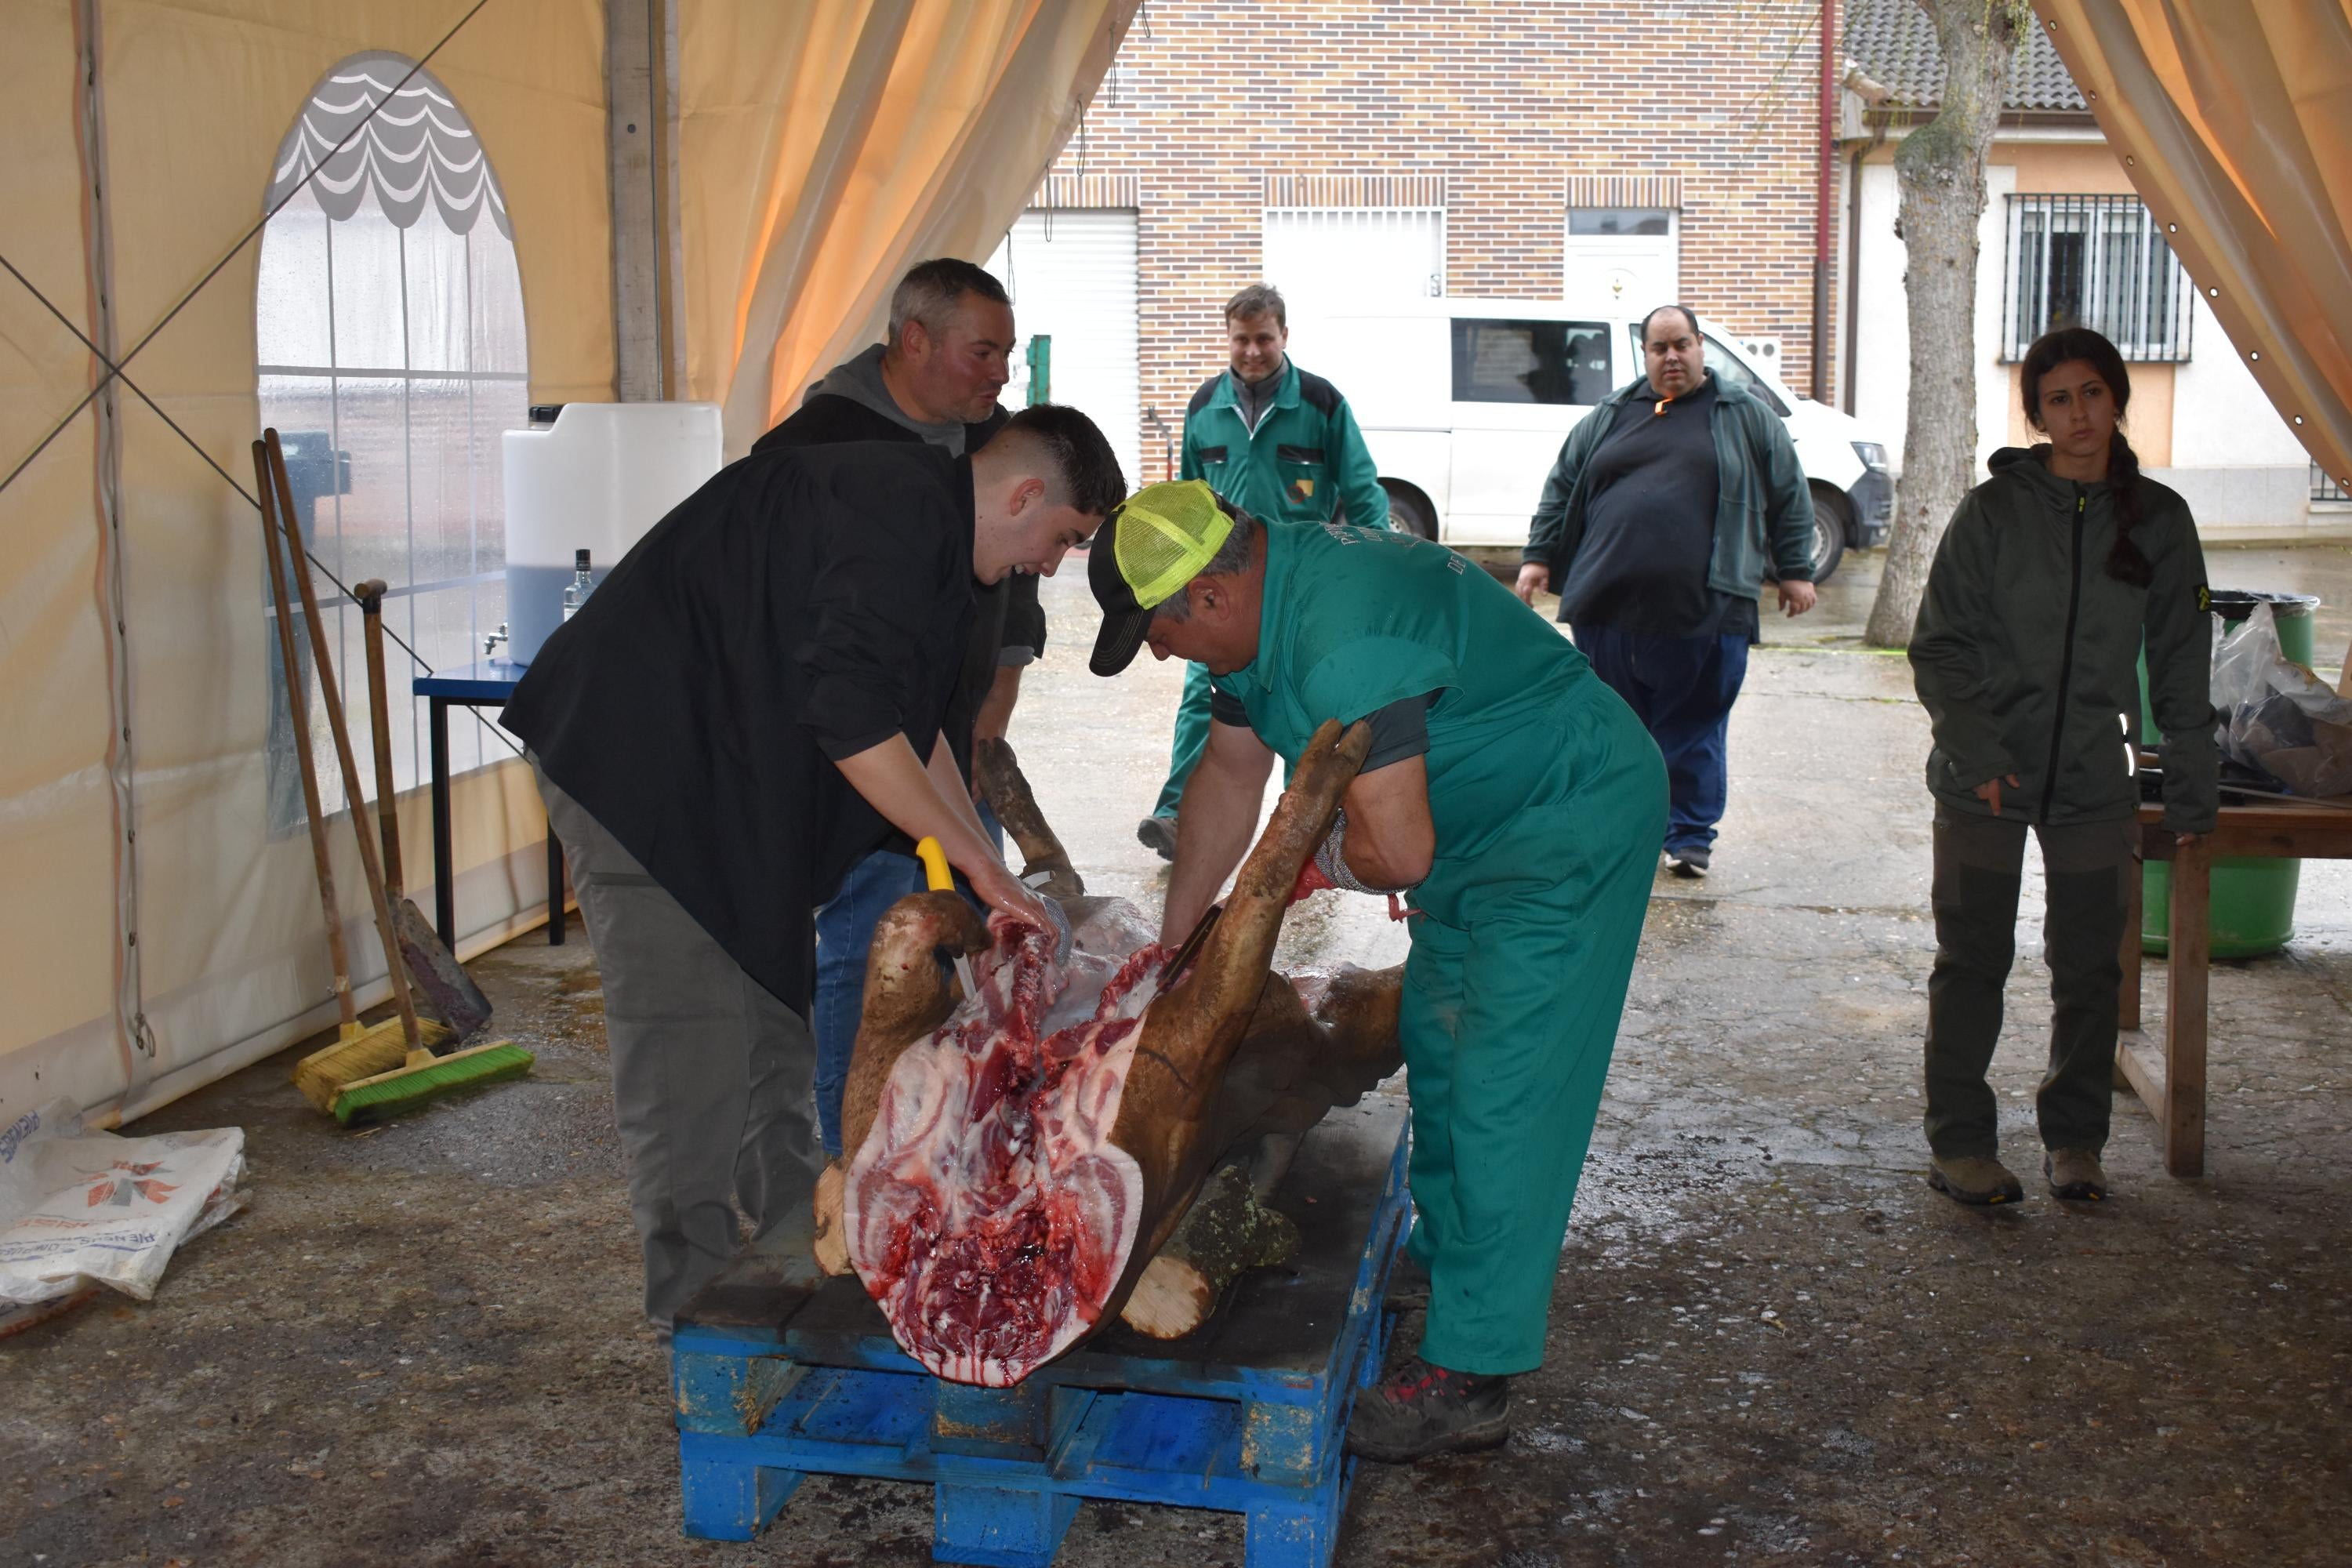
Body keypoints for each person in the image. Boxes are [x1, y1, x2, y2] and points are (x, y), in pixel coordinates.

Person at [501, 405, 1124, 1329]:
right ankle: (697, 1306)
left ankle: (810, 1232)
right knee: (690, 1052)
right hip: (643, 772)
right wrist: (977, 869)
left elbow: (922, 733)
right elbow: (853, 719)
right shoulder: (898, 510)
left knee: (771, 1019)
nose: (1052, 563)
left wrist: (985, 868)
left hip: (724, 787)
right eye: (1063, 538)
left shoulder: (936, 537)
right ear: (1024, 493)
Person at [1087, 480, 1665, 1462]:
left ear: (1211, 598)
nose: (1156, 649)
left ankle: (1472, 1376)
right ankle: (1451, 1257)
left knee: (1504, 1083)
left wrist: (1307, 867)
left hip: (1565, 818)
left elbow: (1396, 853)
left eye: (1156, 630)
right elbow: (1227, 777)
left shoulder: (1340, 638)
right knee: (1438, 1045)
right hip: (1479, 835)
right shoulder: (1262, 607)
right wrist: (1175, 949)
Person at [1909, 325, 2215, 1207]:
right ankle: (1961, 1144)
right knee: (1972, 957)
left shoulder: (2159, 519)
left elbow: (2184, 660)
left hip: (2093, 776)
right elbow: (1940, 648)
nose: (2078, 413)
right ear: (2037, 415)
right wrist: (1982, 754)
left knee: (2091, 966)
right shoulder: (1994, 512)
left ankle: (2076, 1138)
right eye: (2058, 399)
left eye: (2092, 392)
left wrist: (2192, 787)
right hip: (1984, 775)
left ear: (2117, 398)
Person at [753, 257, 1044, 1158]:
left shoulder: (984, 437)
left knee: (969, 936)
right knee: (867, 948)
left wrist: (1005, 671)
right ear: (914, 339)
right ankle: (856, 1153)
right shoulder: (812, 445)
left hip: (941, 740)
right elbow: (819, 661)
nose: (1000, 372)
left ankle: (943, 1131)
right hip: (857, 755)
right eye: (982, 351)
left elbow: (1013, 574)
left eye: (1005, 354)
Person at [1513, 303, 1817, 879]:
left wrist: (1795, 569)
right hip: (1606, 605)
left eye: (1682, 345)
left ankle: (1689, 835)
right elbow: (1561, 489)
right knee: (1614, 729)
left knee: (1694, 725)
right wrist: (1538, 559)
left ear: (1701, 346)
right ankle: (1626, 830)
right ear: (1646, 355)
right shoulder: (1610, 416)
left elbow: (1789, 494)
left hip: (1706, 608)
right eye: (1659, 348)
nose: (1671, 357)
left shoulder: (1744, 416)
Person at [1137, 283, 1390, 861]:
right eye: (1241, 340)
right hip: (1218, 584)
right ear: (1228, 339)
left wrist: (1372, 561)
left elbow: (1361, 489)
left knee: (1301, 700)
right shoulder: (1204, 407)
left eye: (1264, 339)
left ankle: (1303, 827)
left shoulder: (1322, 404)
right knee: (1205, 693)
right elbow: (1188, 497)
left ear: (1284, 337)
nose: (1252, 351)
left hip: (1300, 584)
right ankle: (1177, 816)